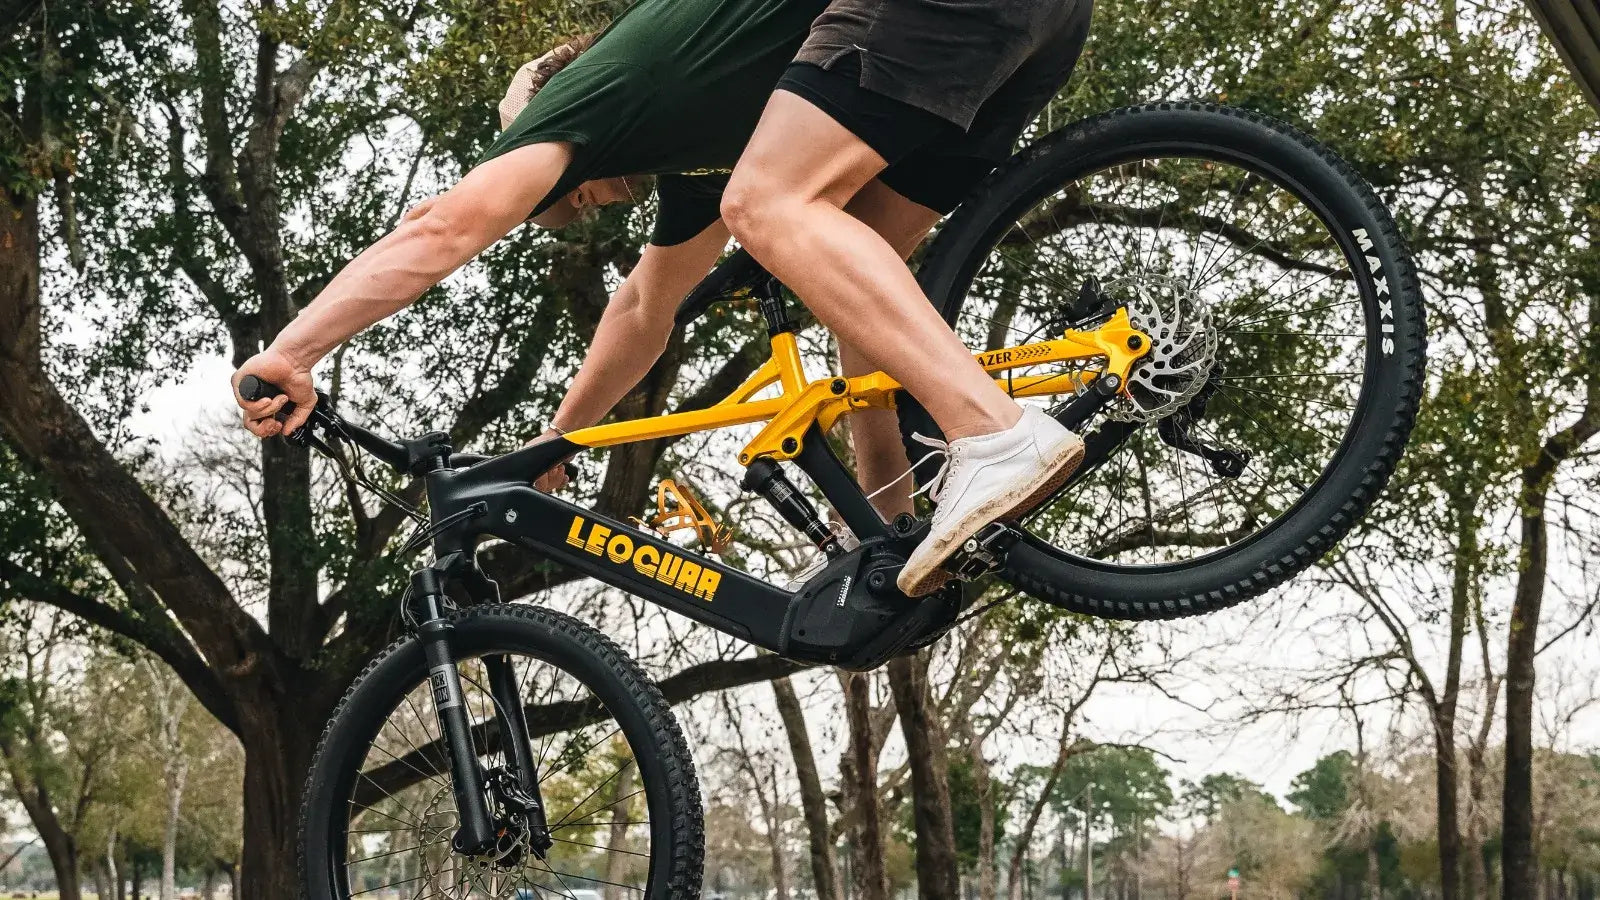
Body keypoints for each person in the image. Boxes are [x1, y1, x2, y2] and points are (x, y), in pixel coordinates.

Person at [232, 0, 1093, 597]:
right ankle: (903, 522)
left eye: (558, 201)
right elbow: (646, 306)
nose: (576, 212)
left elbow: (441, 230)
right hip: (1031, 28)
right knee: (855, 273)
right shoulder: (696, 137)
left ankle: (993, 432)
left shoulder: (592, 96)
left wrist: (295, 351)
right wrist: (561, 438)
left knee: (762, 208)